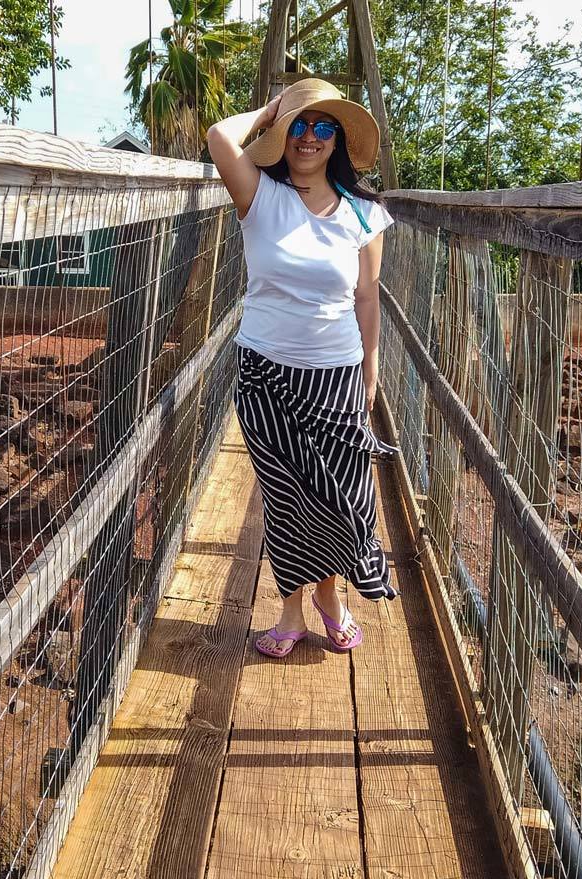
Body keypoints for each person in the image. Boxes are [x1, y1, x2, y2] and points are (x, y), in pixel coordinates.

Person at [206, 77, 397, 659]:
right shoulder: (260, 196)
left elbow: (368, 299)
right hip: (264, 373)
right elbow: (219, 136)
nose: (310, 137)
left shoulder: (366, 216)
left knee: (344, 496)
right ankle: (290, 606)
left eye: (323, 126)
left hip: (336, 373)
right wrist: (272, 109)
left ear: (338, 140)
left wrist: (369, 375)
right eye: (300, 126)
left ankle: (332, 598)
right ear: (282, 134)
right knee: (287, 496)